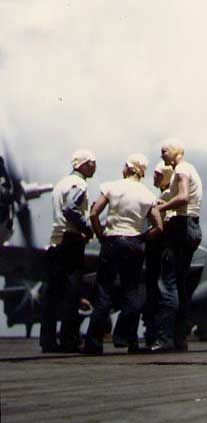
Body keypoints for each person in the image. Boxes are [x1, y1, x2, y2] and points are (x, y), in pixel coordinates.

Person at [83, 154, 162, 354]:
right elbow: (158, 226)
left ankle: (94, 343)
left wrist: (100, 234)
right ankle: (130, 341)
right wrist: (142, 238)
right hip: (134, 243)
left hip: (111, 241)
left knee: (104, 292)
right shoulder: (148, 194)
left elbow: (93, 213)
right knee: (132, 292)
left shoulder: (111, 186)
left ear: (128, 168)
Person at [40, 149, 96, 353]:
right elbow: (71, 208)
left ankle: (47, 340)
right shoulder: (79, 184)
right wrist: (87, 228)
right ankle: (68, 339)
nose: (95, 166)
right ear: (83, 164)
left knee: (52, 293)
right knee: (73, 292)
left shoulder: (60, 184)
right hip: (71, 240)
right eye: (92, 162)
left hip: (55, 240)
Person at [150, 138, 203, 352]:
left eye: (164, 151)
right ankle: (180, 339)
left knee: (167, 284)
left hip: (180, 226)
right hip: (192, 225)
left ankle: (164, 339)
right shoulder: (190, 169)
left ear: (174, 151)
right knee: (180, 285)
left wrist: (162, 208)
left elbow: (182, 197)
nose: (162, 155)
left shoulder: (181, 169)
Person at [141, 161, 174, 347]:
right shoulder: (166, 195)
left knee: (162, 292)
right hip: (161, 252)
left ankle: (161, 336)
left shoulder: (166, 197)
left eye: (158, 174)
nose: (153, 177)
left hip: (159, 253)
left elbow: (159, 228)